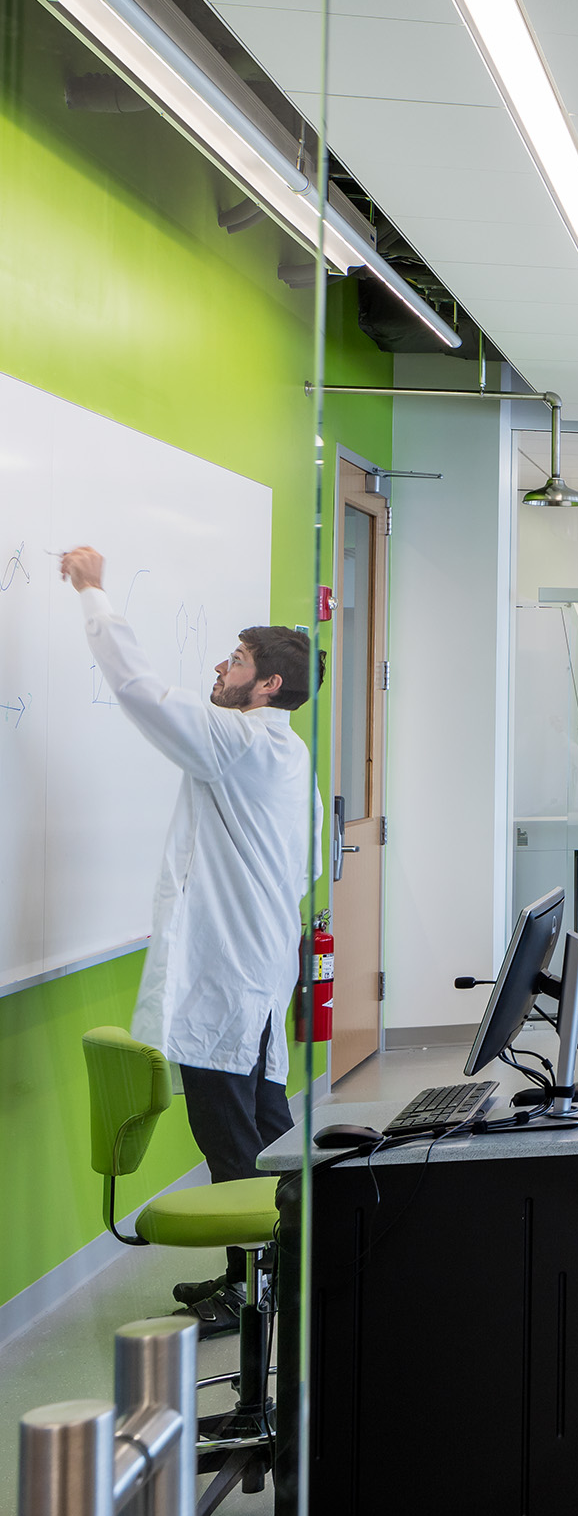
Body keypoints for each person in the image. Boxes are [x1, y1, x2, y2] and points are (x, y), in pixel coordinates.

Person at [62, 546, 319, 1335]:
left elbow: (143, 691)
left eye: (237, 659)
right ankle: (286, 1270)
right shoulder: (285, 753)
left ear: (267, 685)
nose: (222, 665)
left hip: (228, 981)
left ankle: (256, 1291)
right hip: (254, 976)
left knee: (232, 1143)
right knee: (265, 1130)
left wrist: (96, 594)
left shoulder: (243, 742)